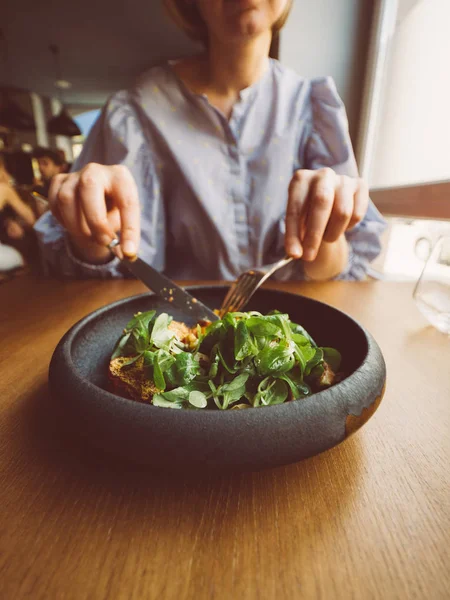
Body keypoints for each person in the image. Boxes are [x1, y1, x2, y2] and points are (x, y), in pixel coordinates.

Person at [35, 0, 386, 281]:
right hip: (178, 342)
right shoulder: (136, 111)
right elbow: (124, 271)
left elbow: (332, 271)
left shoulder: (313, 105)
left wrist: (324, 233)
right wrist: (91, 233)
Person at [0, 158, 37, 274]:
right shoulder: (3, 189)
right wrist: (9, 190)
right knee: (22, 260)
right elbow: (32, 221)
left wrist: (7, 222)